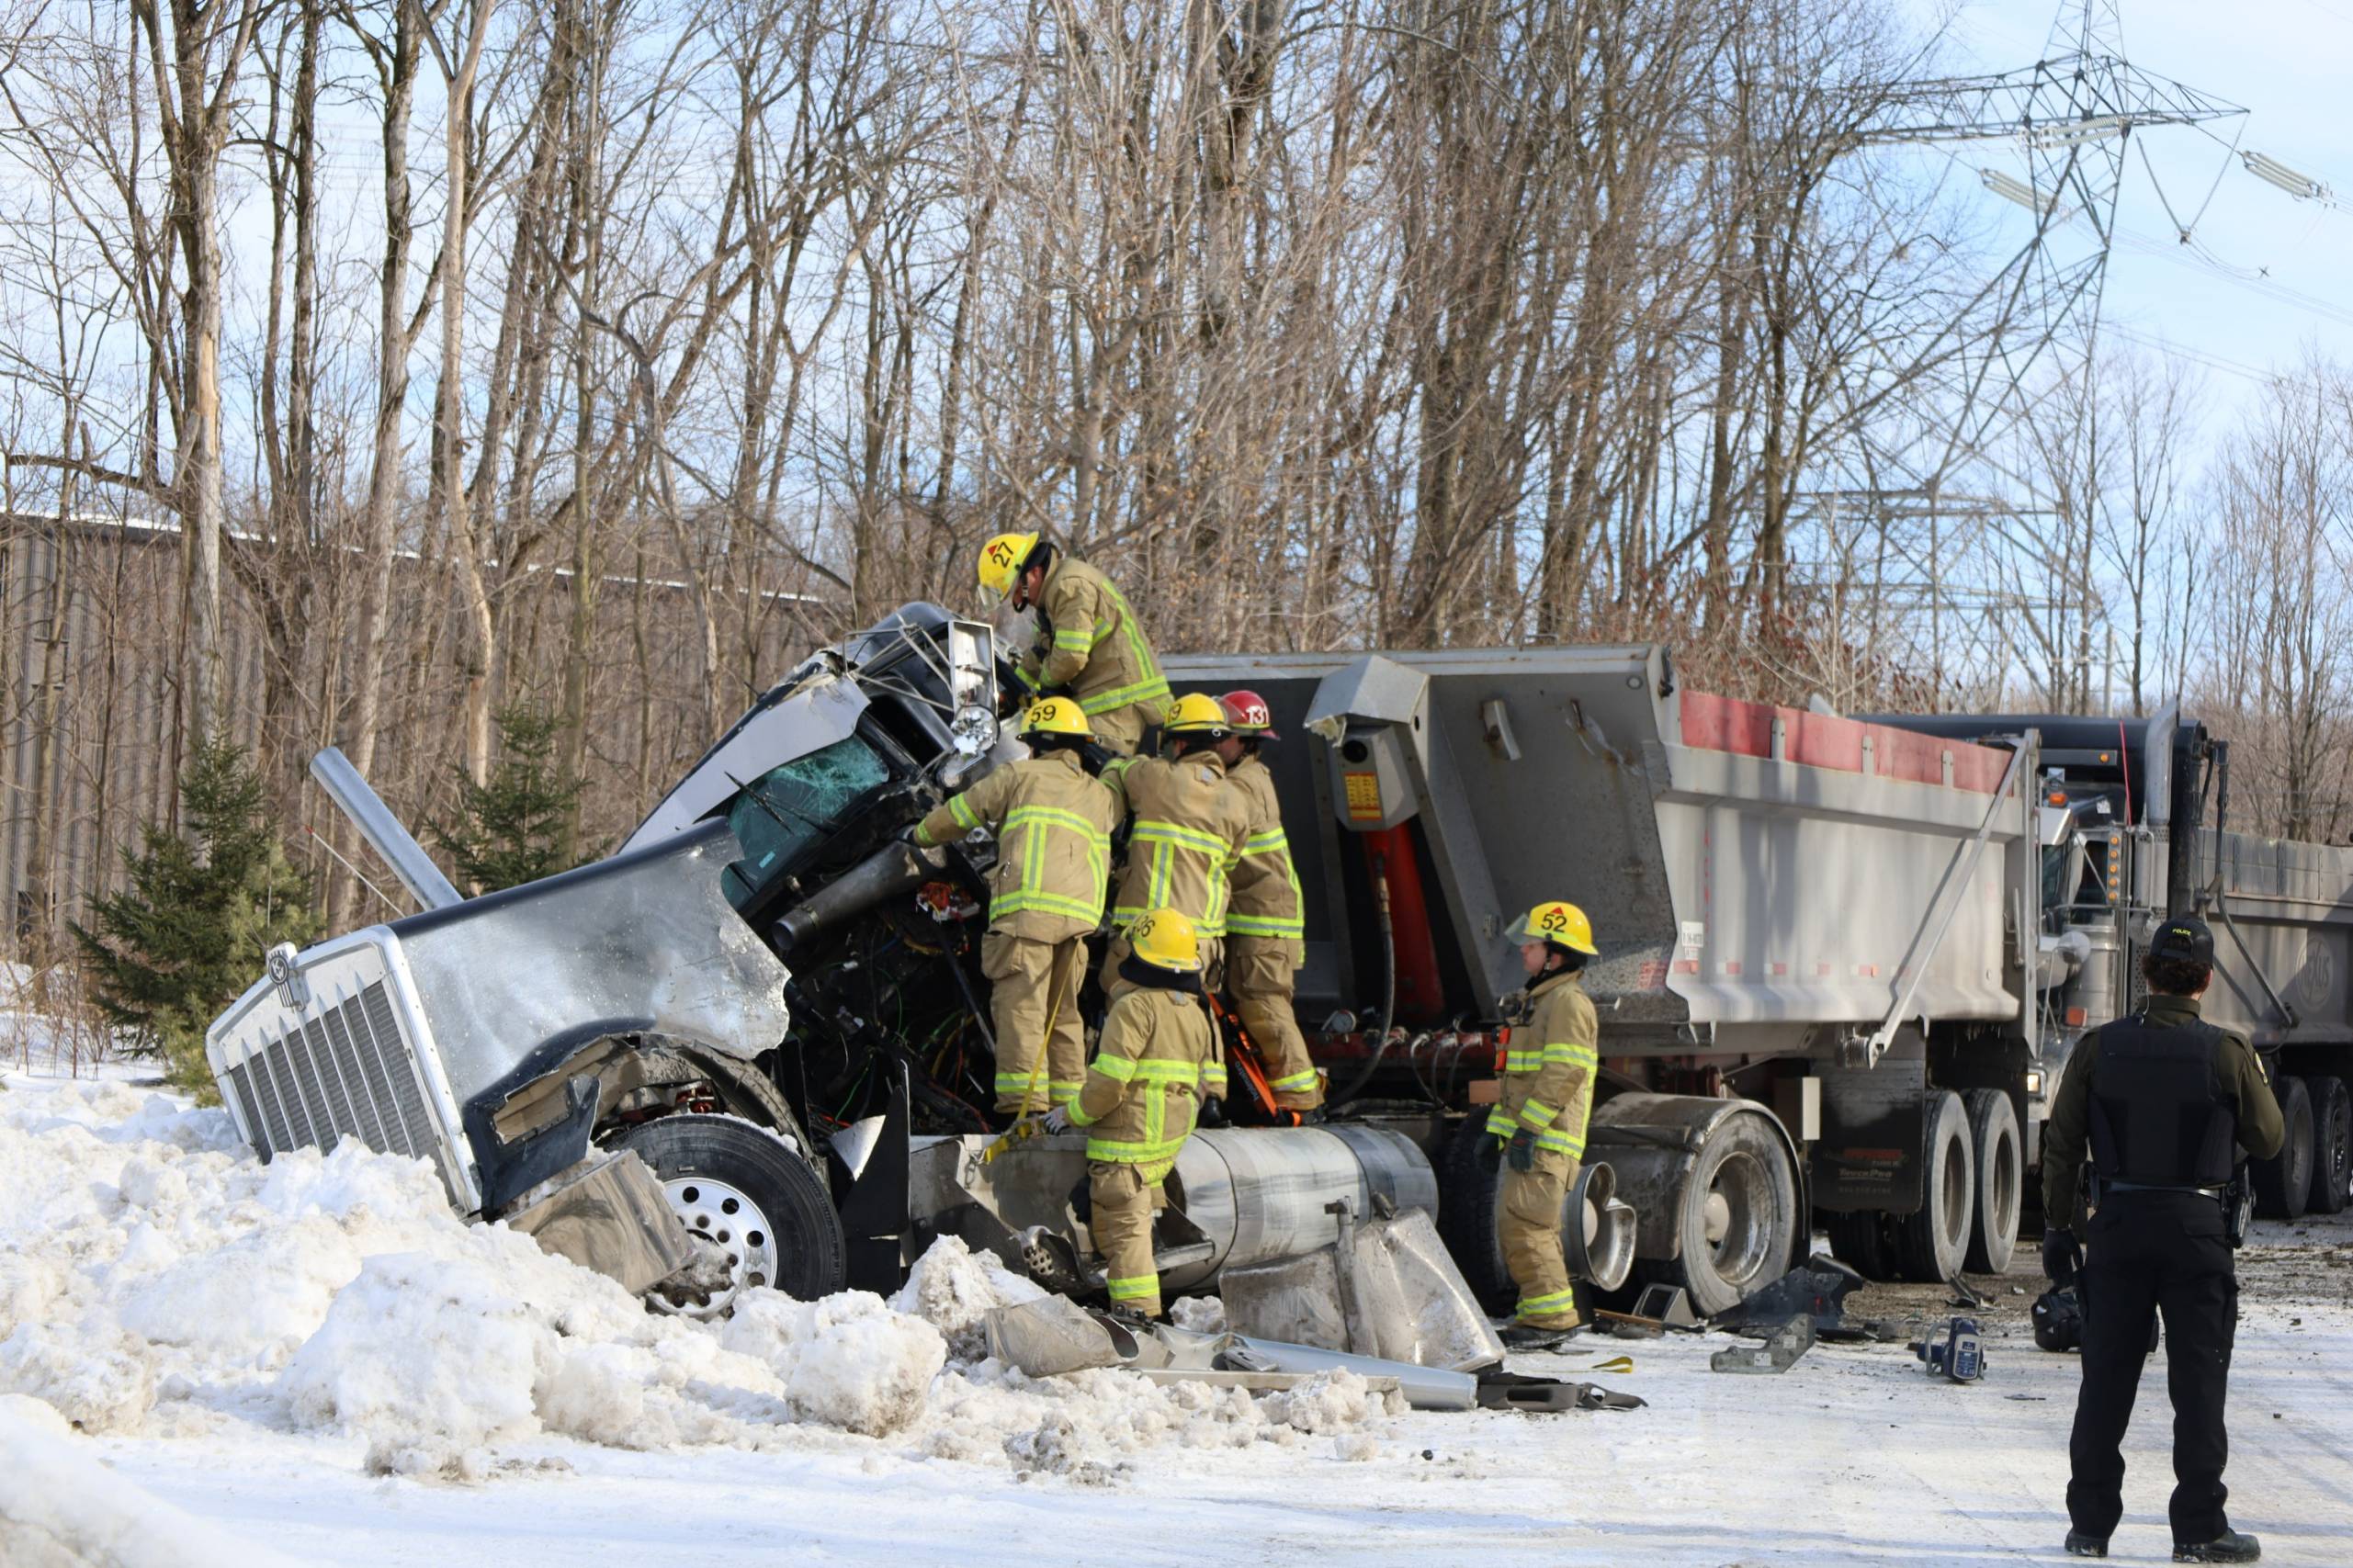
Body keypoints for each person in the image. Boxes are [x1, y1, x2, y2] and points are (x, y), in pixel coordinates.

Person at [2041, 914, 2283, 1563]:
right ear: (2204, 979)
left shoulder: (2099, 1047)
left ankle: (2088, 1527)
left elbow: (2061, 1141)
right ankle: (2198, 1530)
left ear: (2145, 973)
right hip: (2197, 1232)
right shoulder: (2226, 1052)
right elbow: (2269, 1138)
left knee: (2105, 1382)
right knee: (2197, 1386)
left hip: (2116, 1228)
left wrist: (2059, 1226)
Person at [911, 697, 1119, 1117]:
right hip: (1079, 927)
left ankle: (1023, 1112)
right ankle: (1065, 1112)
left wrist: (919, 834)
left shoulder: (1018, 775)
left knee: (1021, 1011)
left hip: (1027, 920)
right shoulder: (1100, 796)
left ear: (1035, 744)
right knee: (1064, 1019)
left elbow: (960, 813)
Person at [1044, 908, 1223, 1320]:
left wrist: (1069, 1114)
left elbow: (1107, 1086)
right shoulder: (1194, 1013)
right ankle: (1135, 1308)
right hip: (1160, 1145)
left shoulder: (1135, 1008)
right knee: (1124, 1228)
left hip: (1125, 1145)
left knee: (1127, 1239)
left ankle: (1139, 1318)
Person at [1488, 900, 1601, 1350]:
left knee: (1526, 1226)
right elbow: (1519, 1081)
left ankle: (1551, 1318)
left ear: (1554, 954)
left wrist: (1529, 1130)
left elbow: (1562, 1075)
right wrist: (1497, 1132)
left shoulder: (1568, 1004)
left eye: (1530, 945)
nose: (1523, 952)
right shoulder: (1543, 1002)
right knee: (1523, 1226)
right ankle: (1540, 1313)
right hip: (1534, 1137)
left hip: (1547, 1141)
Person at [1096, 693, 1251, 1000]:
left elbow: (1121, 768)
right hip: (1202, 946)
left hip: (1148, 939)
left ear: (1178, 744)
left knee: (1133, 1025)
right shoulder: (1237, 800)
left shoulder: (1156, 778)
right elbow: (1230, 863)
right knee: (1187, 1031)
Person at [1211, 689, 1322, 1114]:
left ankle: (1300, 1097)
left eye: (1218, 736)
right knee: (1254, 1002)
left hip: (1263, 920)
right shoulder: (1253, 777)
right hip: (1261, 916)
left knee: (1263, 1004)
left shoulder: (1239, 787)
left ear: (1240, 741)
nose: (1212, 745)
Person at [977, 532, 1170, 756]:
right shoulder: (1053, 594)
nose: (1018, 601)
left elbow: (1069, 657)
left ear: (1034, 573)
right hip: (1108, 709)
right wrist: (1011, 692)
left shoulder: (1069, 586)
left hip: (1119, 711)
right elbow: (1042, 653)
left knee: (1084, 783)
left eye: (1017, 591)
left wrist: (1043, 690)